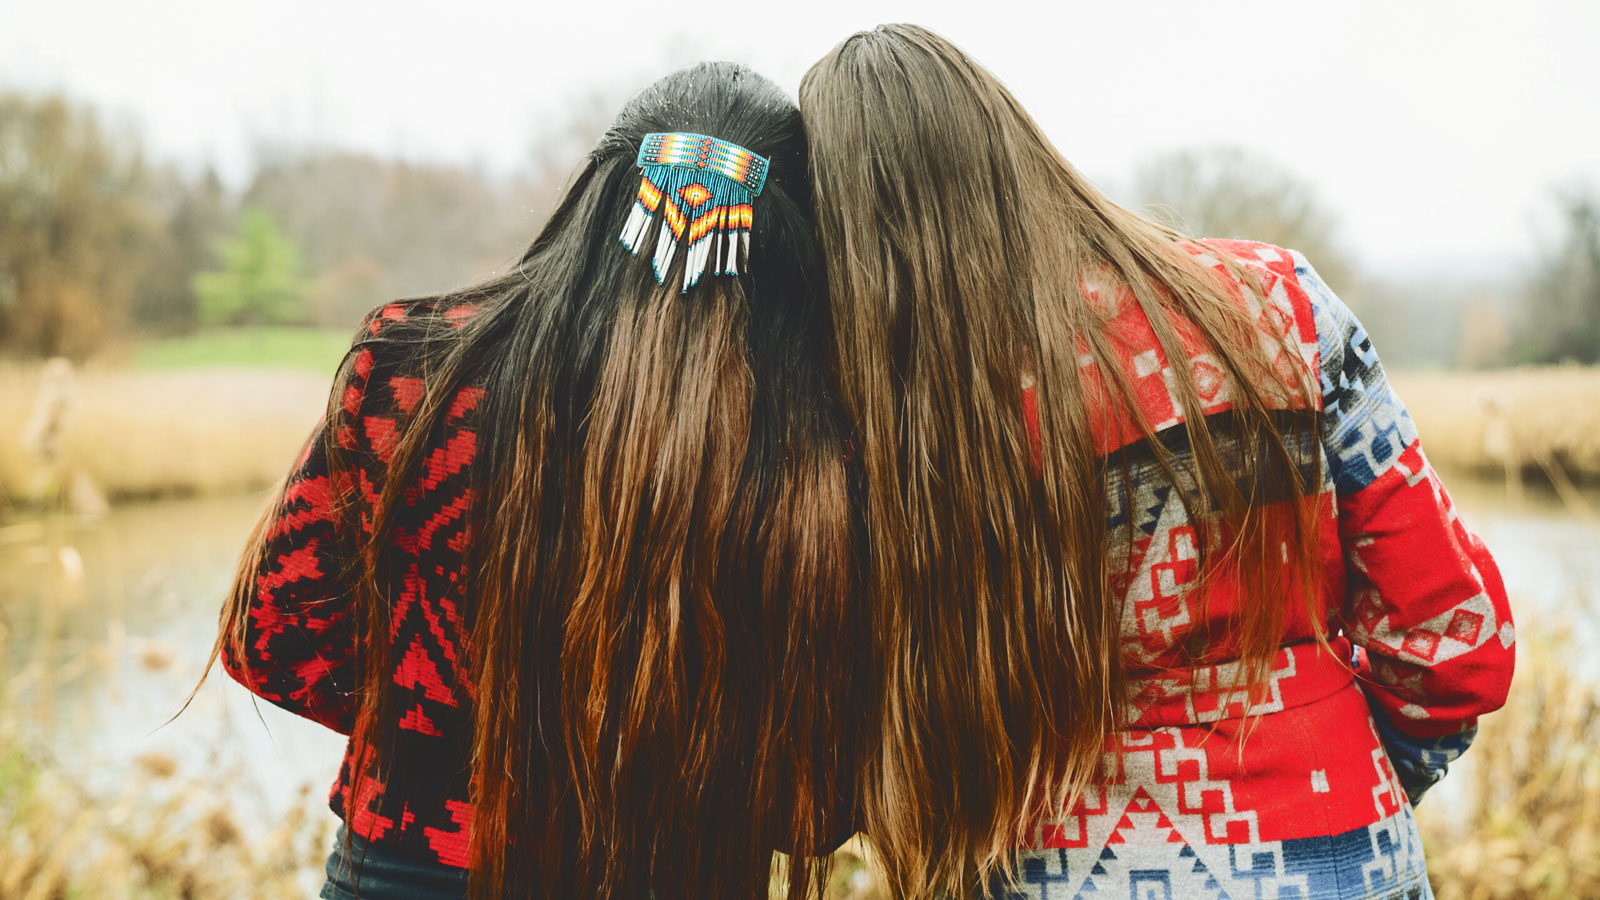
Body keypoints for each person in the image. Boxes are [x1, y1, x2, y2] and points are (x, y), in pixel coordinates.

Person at [798, 24, 1513, 900]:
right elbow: (1453, 636)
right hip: (1341, 853)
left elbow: (830, 746)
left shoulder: (870, 427)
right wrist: (1358, 770)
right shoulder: (1277, 308)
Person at [210, 62, 865, 900]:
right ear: (791, 242)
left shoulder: (411, 369)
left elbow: (274, 638)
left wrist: (433, 732)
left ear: (593, 200)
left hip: (408, 874)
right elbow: (820, 801)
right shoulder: (820, 448)